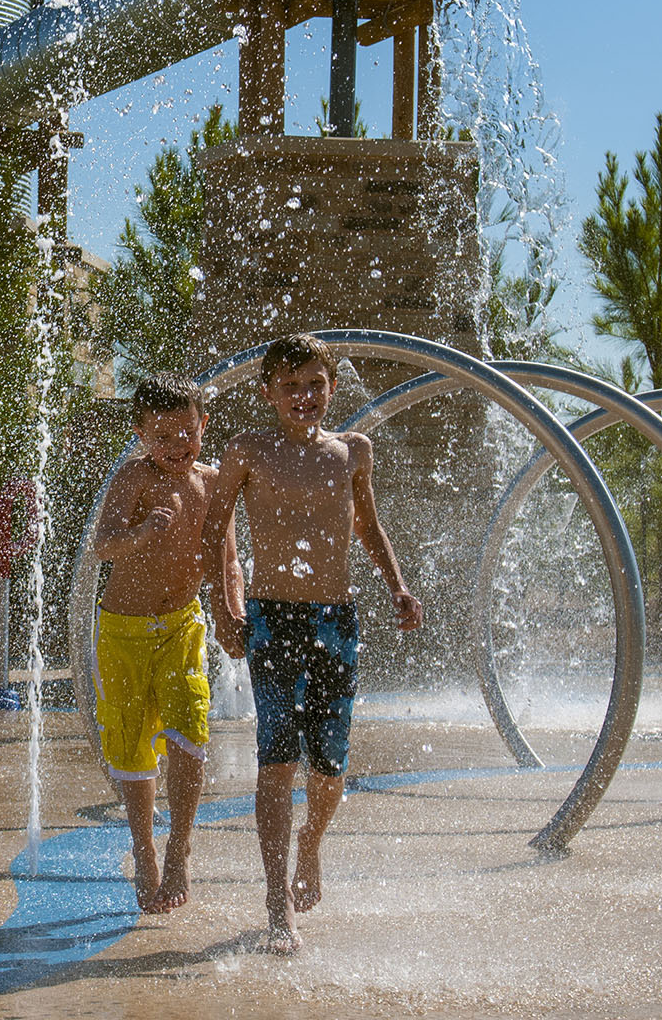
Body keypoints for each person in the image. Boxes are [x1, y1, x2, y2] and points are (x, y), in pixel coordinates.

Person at [199, 333, 423, 955]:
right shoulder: (247, 451)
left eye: (314, 385)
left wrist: (399, 588)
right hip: (273, 619)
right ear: (269, 393)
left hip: (335, 620)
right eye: (290, 387)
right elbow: (214, 534)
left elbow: (367, 525)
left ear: (331, 387)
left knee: (330, 766)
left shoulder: (353, 451)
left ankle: (311, 847)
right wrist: (225, 608)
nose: (304, 397)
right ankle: (278, 906)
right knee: (276, 760)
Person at [88, 371, 246, 913]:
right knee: (132, 743)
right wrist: (139, 535)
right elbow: (100, 547)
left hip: (182, 625)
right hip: (125, 631)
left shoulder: (211, 484)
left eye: (186, 432)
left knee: (190, 732)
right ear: (139, 433)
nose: (177, 445)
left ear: (203, 424)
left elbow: (228, 564)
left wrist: (232, 616)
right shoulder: (134, 478)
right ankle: (144, 847)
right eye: (162, 436)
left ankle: (179, 850)